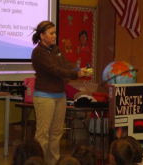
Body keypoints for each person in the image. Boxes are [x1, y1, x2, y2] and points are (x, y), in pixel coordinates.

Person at [31, 20, 90, 165]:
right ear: (42, 35)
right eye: (51, 33)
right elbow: (55, 70)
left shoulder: (56, 49)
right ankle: (39, 162)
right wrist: (76, 74)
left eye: (55, 33)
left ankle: (54, 162)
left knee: (56, 133)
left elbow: (64, 65)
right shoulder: (38, 52)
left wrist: (77, 69)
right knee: (43, 134)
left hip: (60, 96)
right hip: (44, 97)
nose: (54, 36)